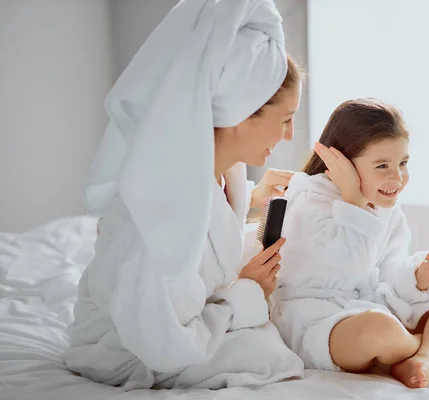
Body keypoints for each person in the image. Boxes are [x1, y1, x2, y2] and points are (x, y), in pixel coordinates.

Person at [64, 0, 305, 390]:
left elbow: (207, 248)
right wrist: (244, 294)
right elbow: (164, 345)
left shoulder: (222, 173)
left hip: (180, 327)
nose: (289, 135)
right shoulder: (158, 210)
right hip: (130, 353)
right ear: (243, 115)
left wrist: (252, 202)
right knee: (271, 358)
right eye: (285, 119)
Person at [270, 98, 429, 389]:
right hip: (320, 322)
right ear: (342, 162)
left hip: (373, 304)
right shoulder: (309, 200)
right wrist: (354, 202)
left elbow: (388, 272)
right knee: (378, 328)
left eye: (403, 163)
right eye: (382, 165)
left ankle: (423, 356)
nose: (397, 177)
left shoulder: (385, 208)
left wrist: (418, 279)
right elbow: (350, 264)